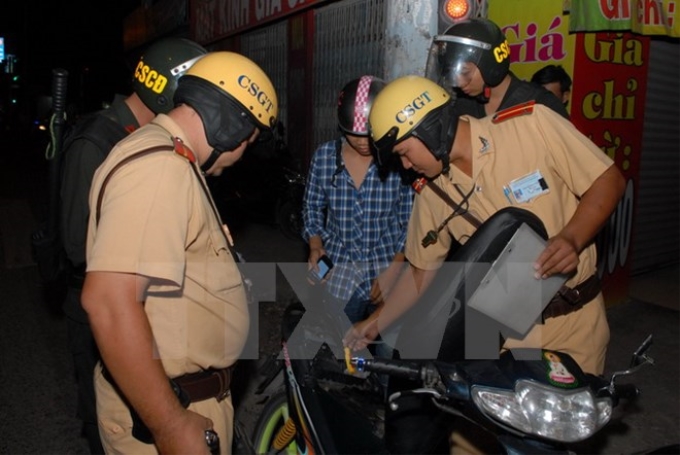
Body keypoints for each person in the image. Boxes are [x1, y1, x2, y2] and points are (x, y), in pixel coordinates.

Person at [346, 75, 625, 454]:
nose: (406, 166)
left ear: (430, 126)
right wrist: (372, 324)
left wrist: (573, 236)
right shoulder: (432, 194)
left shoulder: (532, 125)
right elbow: (421, 275)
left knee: (559, 445)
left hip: (572, 325)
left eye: (405, 152)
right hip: (498, 339)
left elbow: (607, 179)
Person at [80, 51, 278, 454]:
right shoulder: (161, 169)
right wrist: (170, 426)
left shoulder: (169, 157)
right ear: (230, 123)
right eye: (248, 139)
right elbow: (109, 303)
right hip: (171, 410)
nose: (242, 153)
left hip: (185, 400)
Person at [59, 37, 206, 454]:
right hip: (98, 305)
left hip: (136, 301)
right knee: (106, 417)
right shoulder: (98, 140)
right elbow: (77, 243)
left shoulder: (151, 138)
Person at [302, 75, 413, 358]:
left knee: (389, 353)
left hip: (388, 273)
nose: (363, 142)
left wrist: (395, 267)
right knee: (346, 351)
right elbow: (312, 206)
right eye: (354, 134)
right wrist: (315, 245)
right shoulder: (325, 157)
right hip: (341, 277)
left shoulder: (399, 157)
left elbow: (411, 217)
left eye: (369, 134)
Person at [425, 17, 570, 119]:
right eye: (454, 72)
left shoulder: (540, 105)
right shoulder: (462, 106)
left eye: (465, 72)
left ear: (491, 65)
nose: (460, 82)